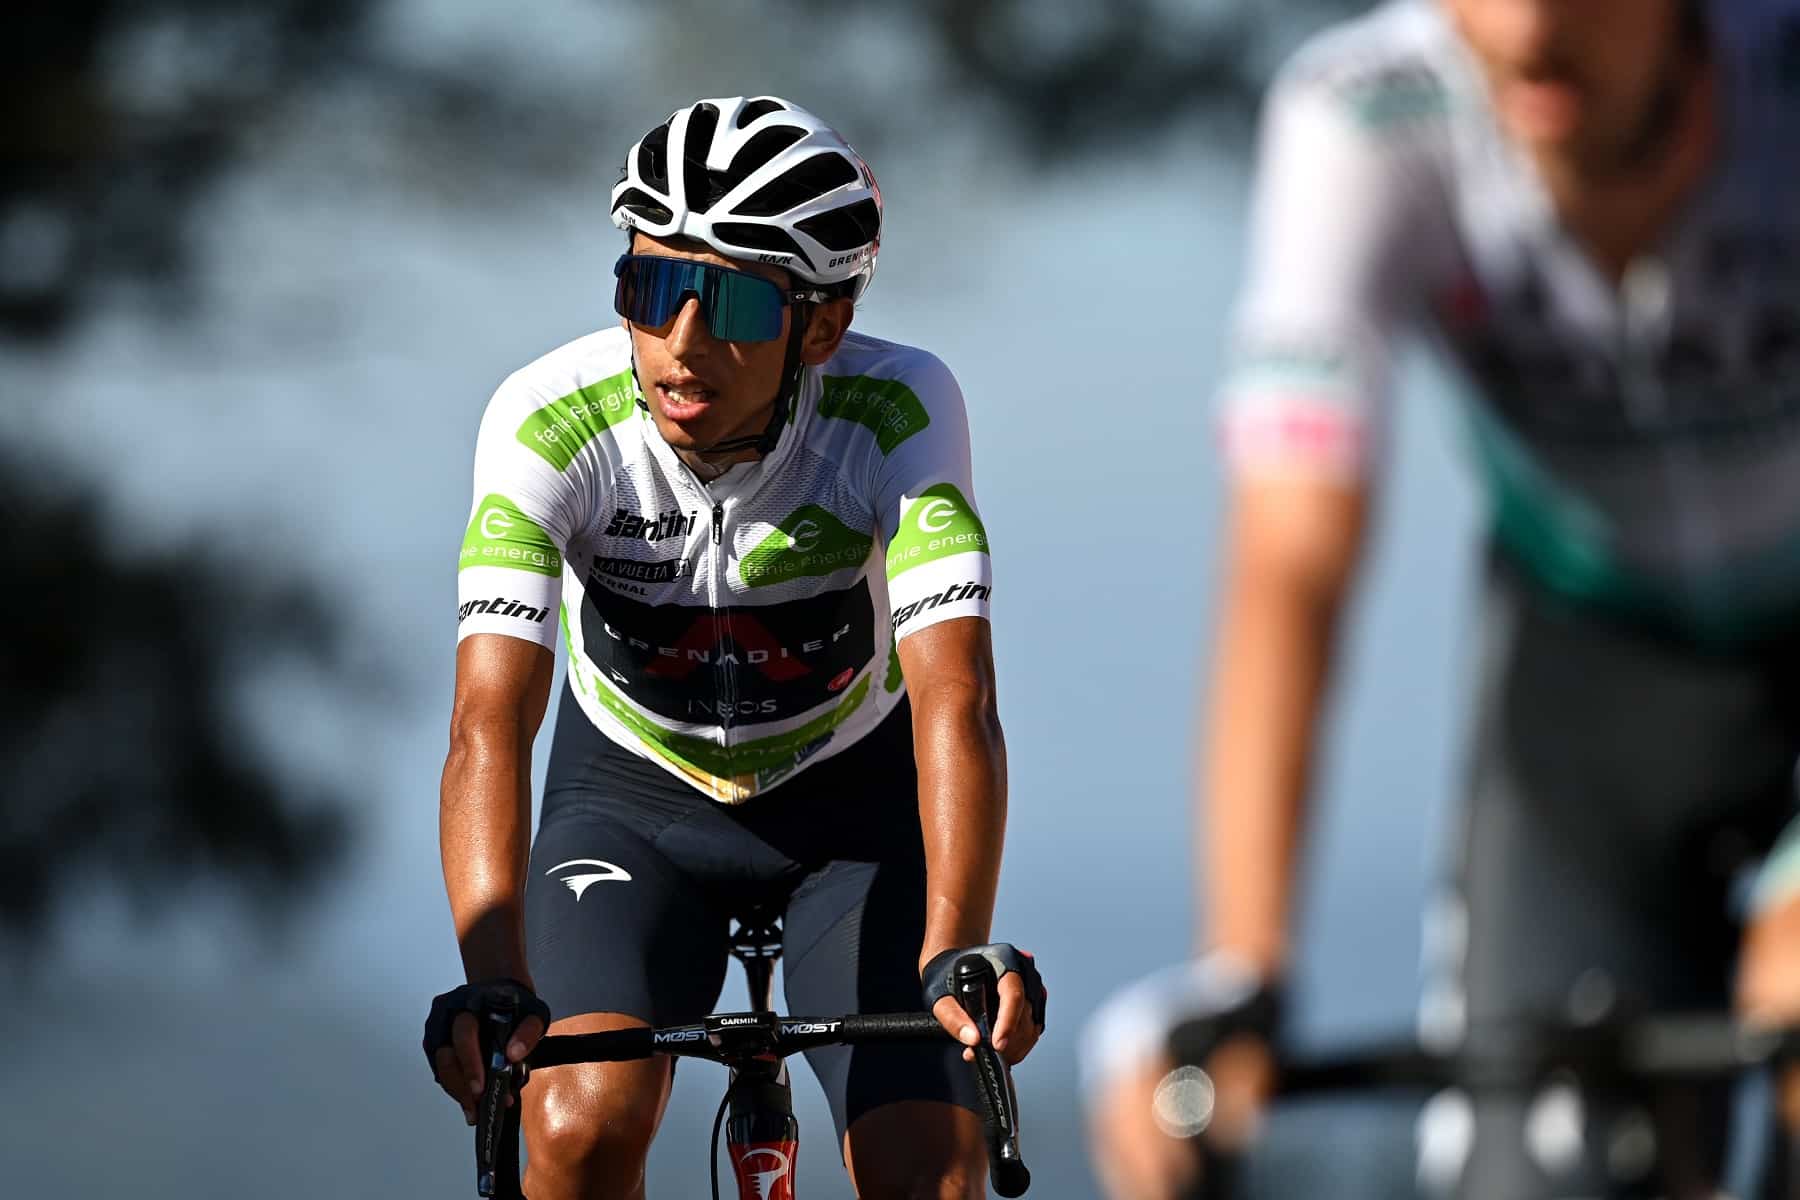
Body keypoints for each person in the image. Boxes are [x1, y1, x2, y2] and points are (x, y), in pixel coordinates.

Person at [1080, 0, 1800, 1196]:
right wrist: (1240, 966)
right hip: (1589, 682)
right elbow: (1291, 560)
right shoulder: (1366, 116)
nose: (1527, 30)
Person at [421, 96, 1045, 1200]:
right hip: (630, 803)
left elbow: (958, 700)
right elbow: (490, 722)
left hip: (854, 815)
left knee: (927, 1173)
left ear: (823, 327)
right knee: (574, 1125)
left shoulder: (895, 409)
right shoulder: (549, 421)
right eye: (651, 287)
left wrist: (956, 945)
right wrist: (495, 979)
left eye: (737, 302)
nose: (683, 340)